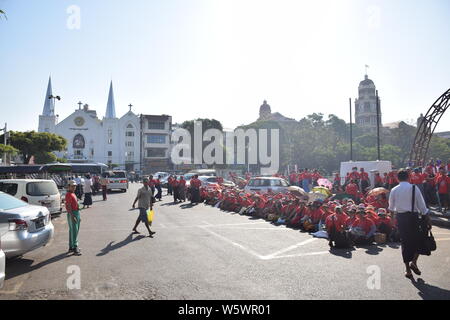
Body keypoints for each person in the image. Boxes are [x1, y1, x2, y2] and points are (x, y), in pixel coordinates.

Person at [388, 169, 431, 279]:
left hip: (401, 218)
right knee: (419, 240)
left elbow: (391, 208)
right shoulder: (414, 188)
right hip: (413, 217)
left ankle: (408, 269)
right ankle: (414, 262)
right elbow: (422, 206)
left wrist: (392, 220)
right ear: (408, 177)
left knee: (405, 243)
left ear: (397, 178)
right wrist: (428, 219)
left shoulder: (394, 190)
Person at [65, 180, 82, 255]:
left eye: (75, 186)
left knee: (73, 230)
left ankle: (71, 246)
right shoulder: (68, 194)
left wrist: (78, 216)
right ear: (69, 186)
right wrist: (73, 216)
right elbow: (68, 206)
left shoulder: (72, 193)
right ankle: (75, 247)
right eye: (72, 186)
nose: (74, 187)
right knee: (74, 231)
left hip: (76, 212)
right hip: (72, 213)